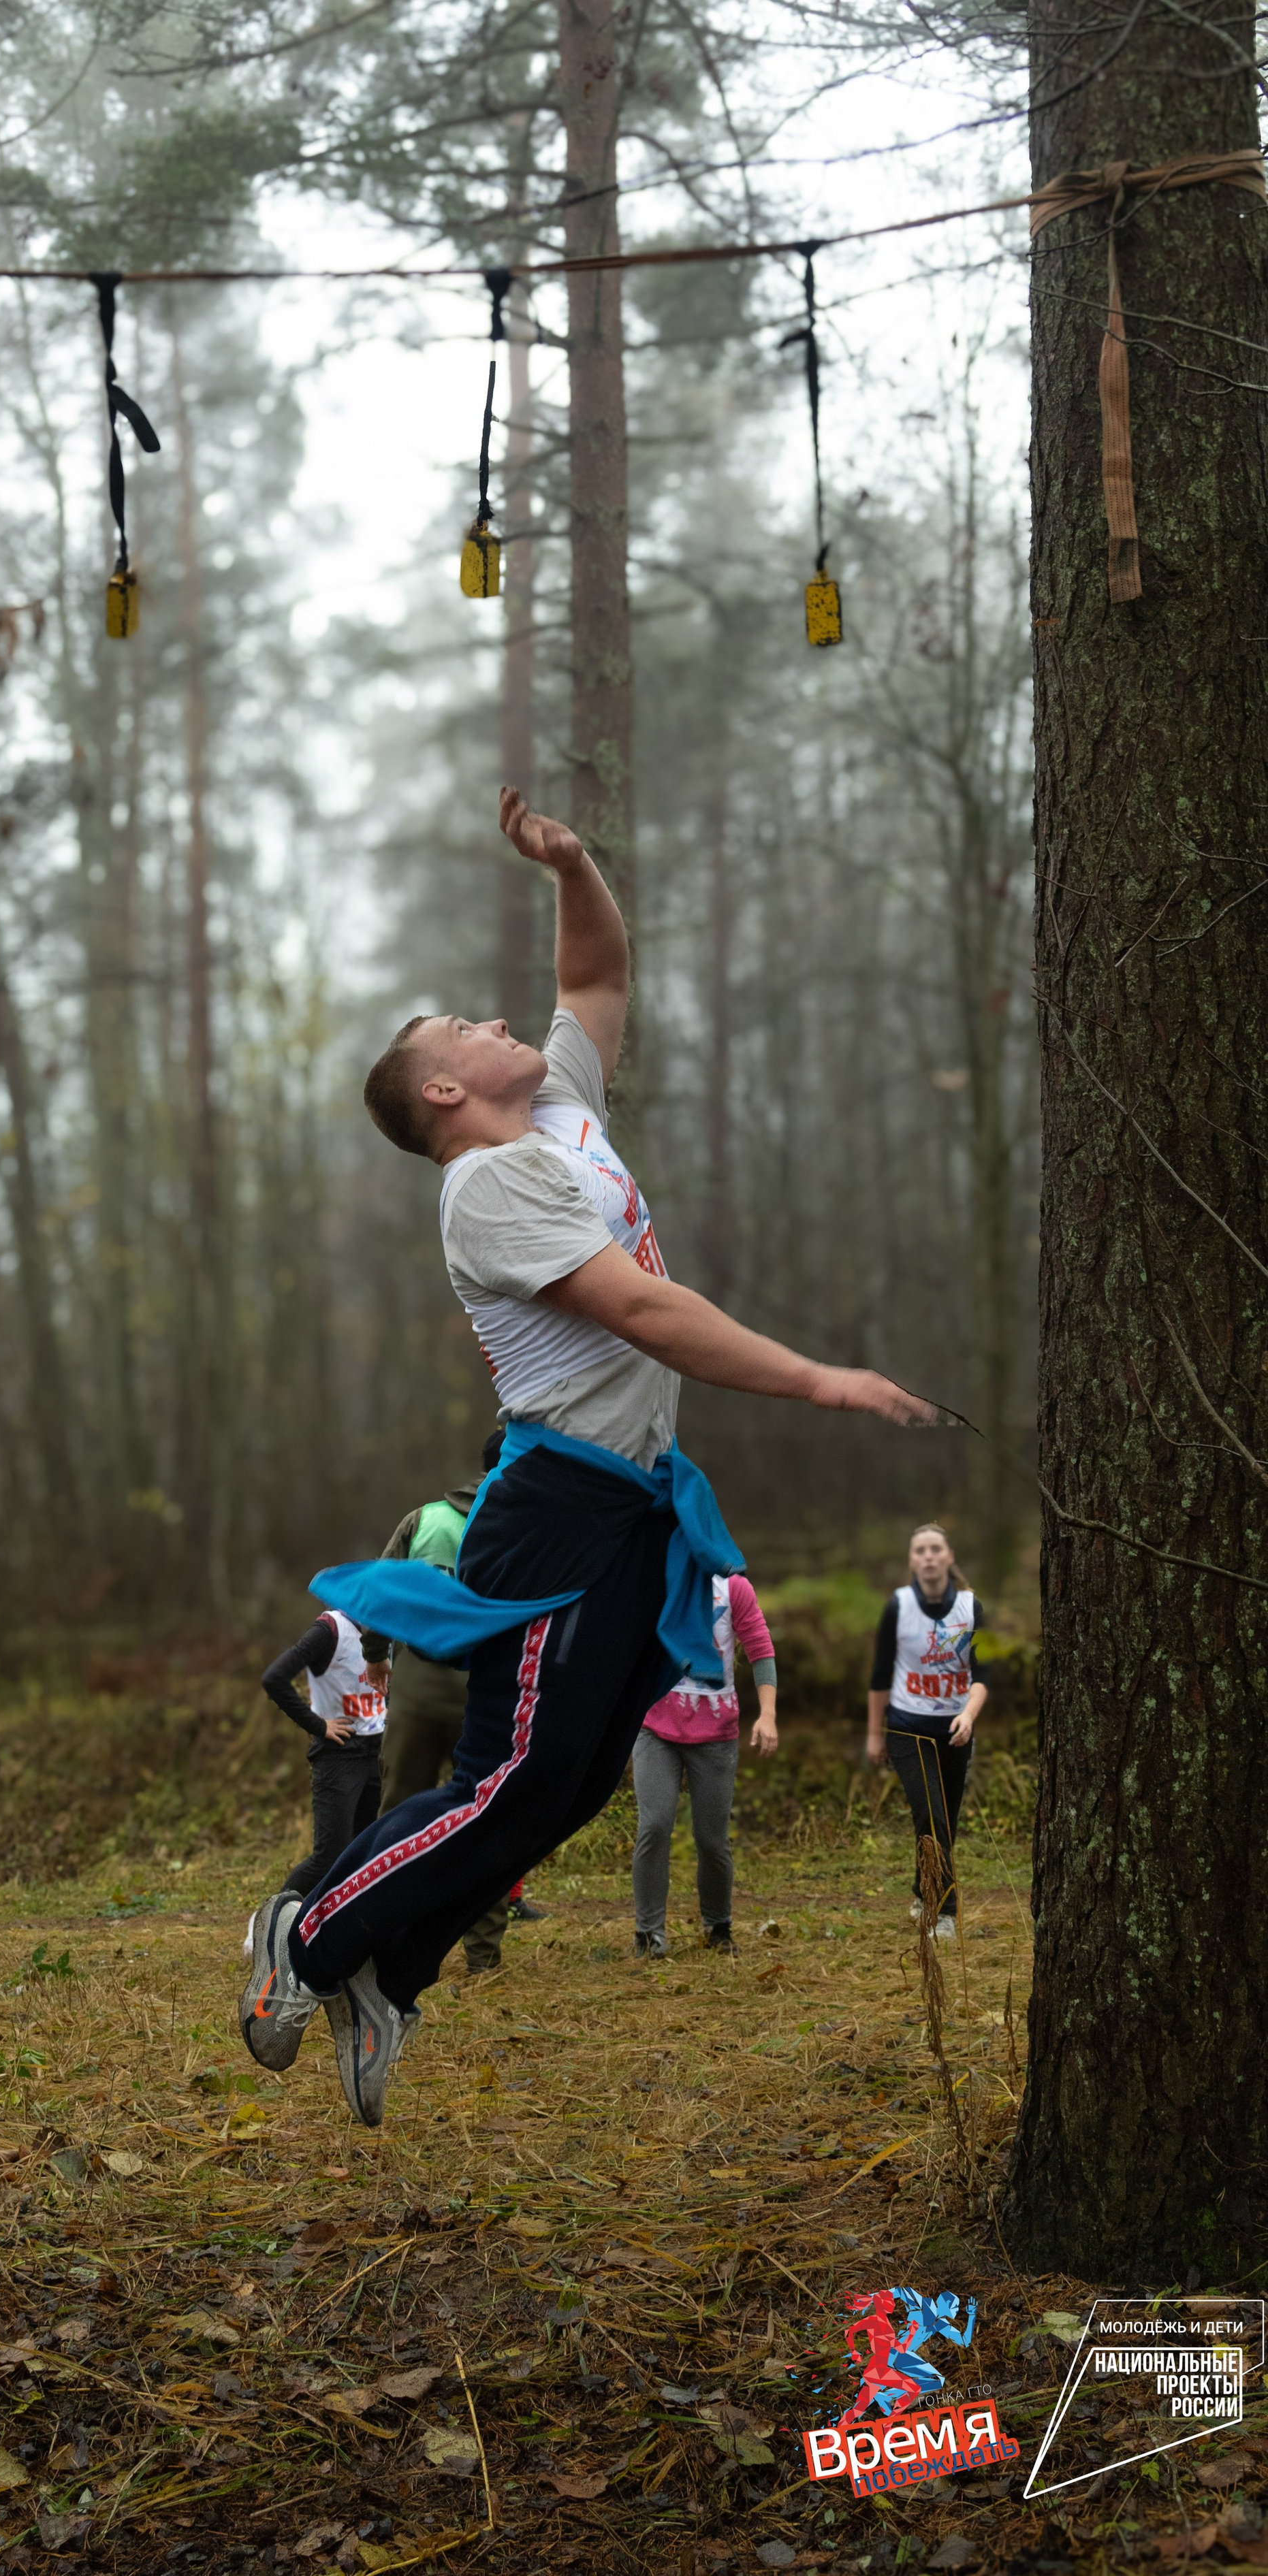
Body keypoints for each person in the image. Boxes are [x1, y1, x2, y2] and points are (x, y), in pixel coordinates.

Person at [240, 785, 934, 2125]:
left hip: (631, 1508)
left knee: (555, 1797)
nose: (507, 1024)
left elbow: (597, 970)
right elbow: (639, 1310)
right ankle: (307, 1935)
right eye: (471, 1029)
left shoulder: (556, 1111)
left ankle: (389, 1974)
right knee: (499, 1777)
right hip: (556, 1504)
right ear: (444, 1088)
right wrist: (816, 1380)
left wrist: (570, 865)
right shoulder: (485, 1188)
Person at [379, 1431, 520, 1976]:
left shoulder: (424, 1519)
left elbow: (385, 1587)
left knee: (397, 1815)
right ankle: (484, 1959)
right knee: (488, 1818)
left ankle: (384, 1936)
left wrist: (374, 1652)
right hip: (486, 1692)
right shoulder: (522, 1527)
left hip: (415, 1683)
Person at [631, 1571, 777, 1960]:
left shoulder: (734, 1589)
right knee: (655, 1825)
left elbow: (760, 1648)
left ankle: (718, 1926)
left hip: (716, 1731)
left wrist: (768, 1715)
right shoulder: (660, 1578)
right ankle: (649, 1934)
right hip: (655, 1726)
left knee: (711, 1840)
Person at [865, 1523, 987, 1939]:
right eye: (921, 1550)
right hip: (907, 1729)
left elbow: (982, 1675)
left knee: (944, 1823)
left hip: (956, 1731)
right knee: (931, 1816)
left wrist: (969, 1716)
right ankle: (946, 1910)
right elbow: (881, 1677)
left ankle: (922, 1887)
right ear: (912, 1561)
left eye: (936, 1549)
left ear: (949, 1557)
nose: (929, 1557)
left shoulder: (970, 1609)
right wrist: (875, 1734)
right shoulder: (898, 1608)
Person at [259, 1609, 389, 1901]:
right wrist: (318, 1725)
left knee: (368, 1853)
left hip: (377, 1752)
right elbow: (275, 1678)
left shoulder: (387, 1626)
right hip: (339, 1754)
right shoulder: (330, 1629)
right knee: (329, 1859)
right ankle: (267, 1924)